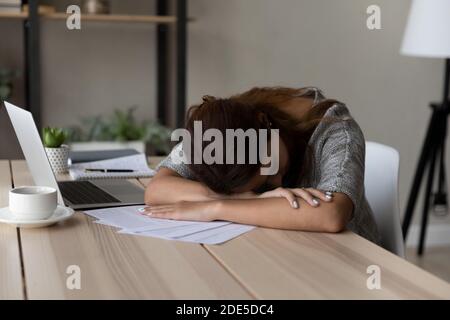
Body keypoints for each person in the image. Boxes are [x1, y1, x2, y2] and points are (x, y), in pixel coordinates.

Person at [143, 86, 380, 244]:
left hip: (346, 259)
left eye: (271, 166)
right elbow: (158, 189)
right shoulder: (219, 130)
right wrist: (242, 199)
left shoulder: (335, 128)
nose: (277, 184)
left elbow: (331, 214)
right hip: (278, 247)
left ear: (264, 123)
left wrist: (215, 208)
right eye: (263, 184)